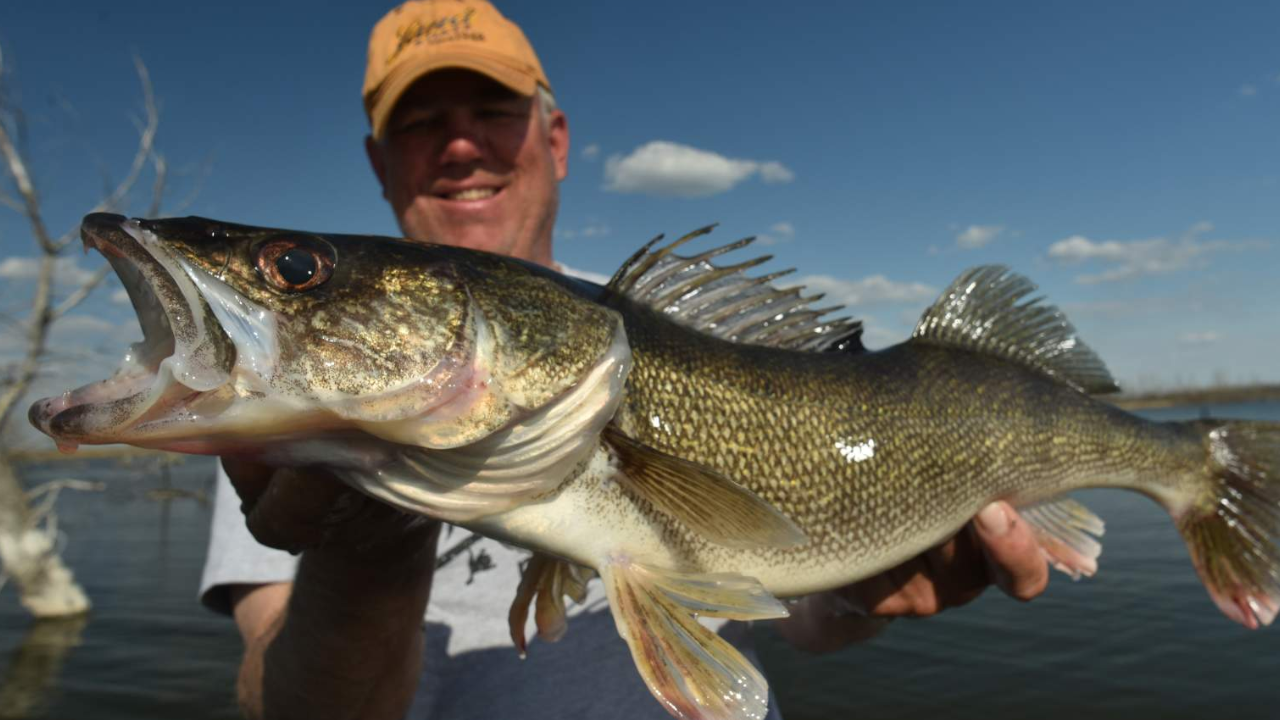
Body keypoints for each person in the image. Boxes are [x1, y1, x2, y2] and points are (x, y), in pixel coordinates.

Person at [199, 2, 1052, 718]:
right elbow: (280, 699)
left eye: (490, 112)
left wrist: (865, 592)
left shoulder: (683, 336)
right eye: (419, 125)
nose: (459, 146)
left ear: (556, 139)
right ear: (379, 165)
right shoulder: (292, 404)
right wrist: (361, 550)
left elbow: (806, 618)